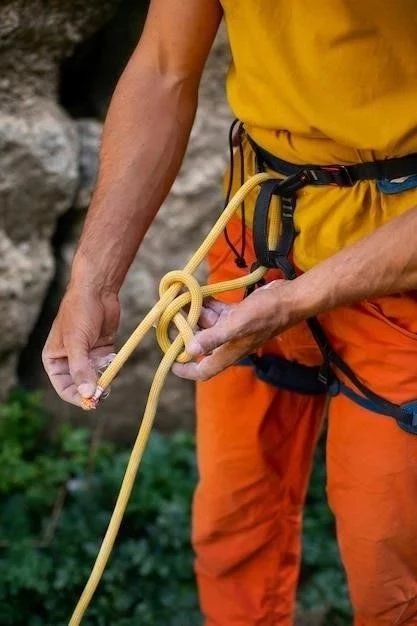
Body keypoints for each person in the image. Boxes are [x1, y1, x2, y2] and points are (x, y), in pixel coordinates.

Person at [42, 1, 417, 624]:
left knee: (391, 565)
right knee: (233, 521)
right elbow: (164, 66)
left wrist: (300, 299)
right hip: (261, 233)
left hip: (399, 263)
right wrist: (93, 279)